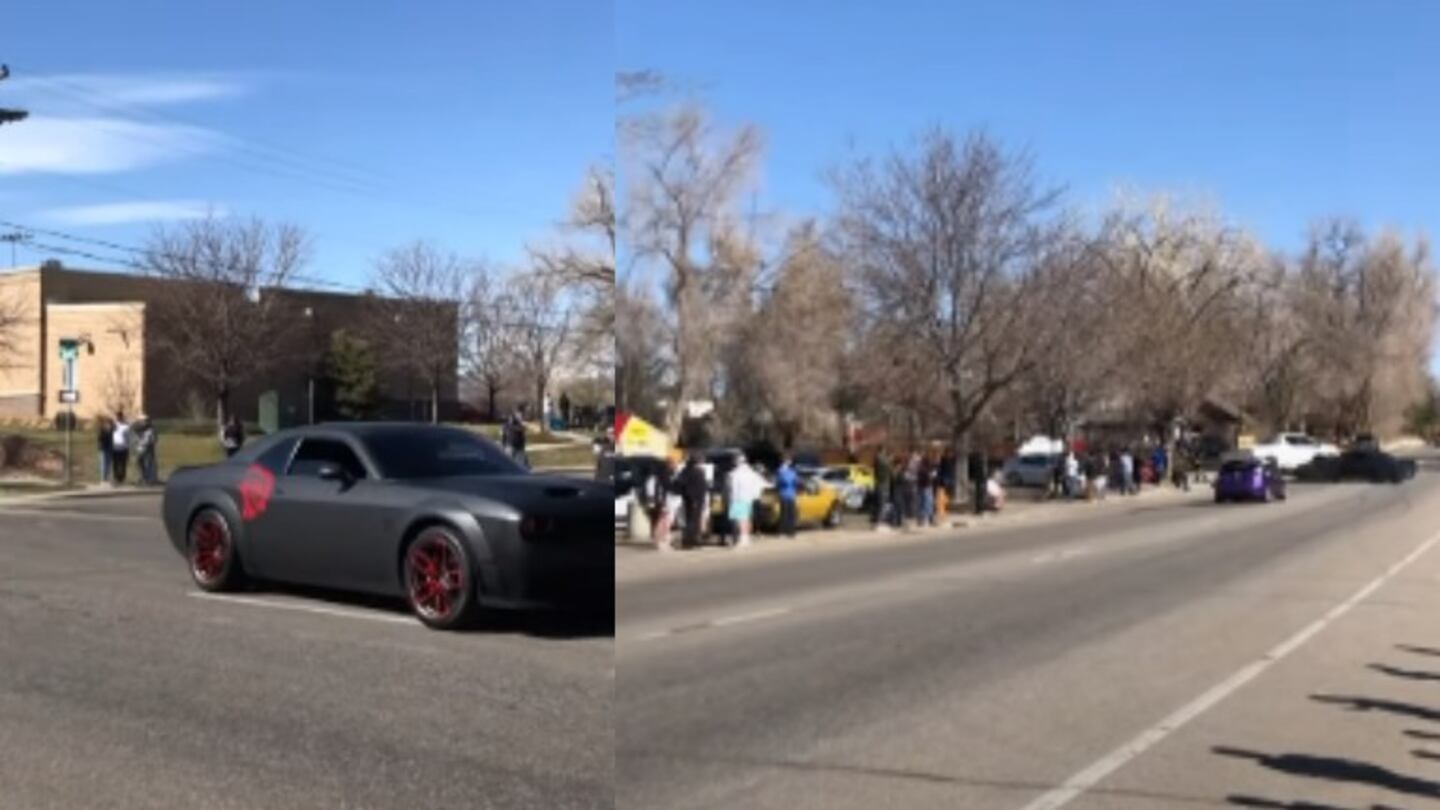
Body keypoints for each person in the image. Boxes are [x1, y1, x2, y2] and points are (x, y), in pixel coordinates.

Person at [727, 454, 764, 548]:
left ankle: (742, 539)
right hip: (748, 499)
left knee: (740, 520)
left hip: (738, 498)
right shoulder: (751, 473)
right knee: (746, 519)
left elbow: (734, 488)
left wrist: (732, 500)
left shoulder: (735, 474)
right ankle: (746, 538)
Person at [650, 456, 680, 551]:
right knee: (665, 522)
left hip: (665, 500)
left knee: (663, 521)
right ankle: (661, 541)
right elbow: (667, 487)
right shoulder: (665, 474)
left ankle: (660, 541)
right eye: (674, 464)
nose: (676, 466)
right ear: (669, 464)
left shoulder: (662, 473)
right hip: (666, 500)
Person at [679, 454, 709, 549]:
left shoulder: (686, 471)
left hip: (692, 498)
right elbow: (699, 486)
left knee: (691, 519)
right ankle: (691, 540)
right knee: (693, 520)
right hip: (695, 499)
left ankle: (690, 539)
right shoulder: (696, 471)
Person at [775, 455, 799, 538]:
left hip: (787, 495)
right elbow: (780, 482)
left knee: (788, 514)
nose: (789, 462)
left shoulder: (789, 472)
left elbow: (796, 482)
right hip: (787, 495)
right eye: (787, 461)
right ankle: (786, 532)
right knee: (787, 514)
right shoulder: (783, 471)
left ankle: (788, 532)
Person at [871, 447, 893, 531]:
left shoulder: (877, 459)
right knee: (882, 504)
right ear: (883, 450)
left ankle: (876, 522)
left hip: (878, 483)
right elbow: (889, 470)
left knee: (877, 504)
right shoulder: (882, 460)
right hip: (883, 484)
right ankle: (879, 523)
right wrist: (890, 460)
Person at [133, 414, 158, 485]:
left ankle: (148, 479)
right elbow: (135, 438)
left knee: (147, 464)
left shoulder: (151, 429)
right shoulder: (137, 428)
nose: (143, 422)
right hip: (139, 448)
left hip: (148, 448)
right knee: (139, 463)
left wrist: (150, 442)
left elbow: (154, 439)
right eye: (142, 421)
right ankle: (142, 477)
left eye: (145, 420)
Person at [110, 410, 132, 485]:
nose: (118, 418)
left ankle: (122, 478)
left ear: (122, 417)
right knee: (115, 464)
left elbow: (128, 437)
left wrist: (128, 446)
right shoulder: (113, 425)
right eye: (117, 417)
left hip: (123, 447)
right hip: (115, 447)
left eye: (120, 417)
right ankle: (116, 477)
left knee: (123, 464)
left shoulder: (126, 426)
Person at [917, 454, 936, 526]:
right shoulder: (925, 469)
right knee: (927, 504)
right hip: (926, 488)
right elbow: (928, 478)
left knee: (922, 504)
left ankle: (923, 519)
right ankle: (927, 519)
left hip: (921, 488)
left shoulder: (921, 468)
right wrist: (932, 475)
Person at [95, 415, 114, 485]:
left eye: (111, 424)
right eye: (109, 424)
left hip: (109, 449)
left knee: (108, 464)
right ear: (106, 424)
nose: (110, 425)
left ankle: (107, 478)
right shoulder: (102, 430)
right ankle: (103, 479)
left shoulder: (111, 431)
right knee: (103, 464)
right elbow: (100, 439)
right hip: (103, 449)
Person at [967, 450, 987, 516]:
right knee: (980, 495)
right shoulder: (980, 461)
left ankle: (978, 509)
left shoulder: (972, 461)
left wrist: (970, 477)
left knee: (976, 495)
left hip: (976, 479)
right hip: (980, 479)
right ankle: (980, 509)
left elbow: (970, 471)